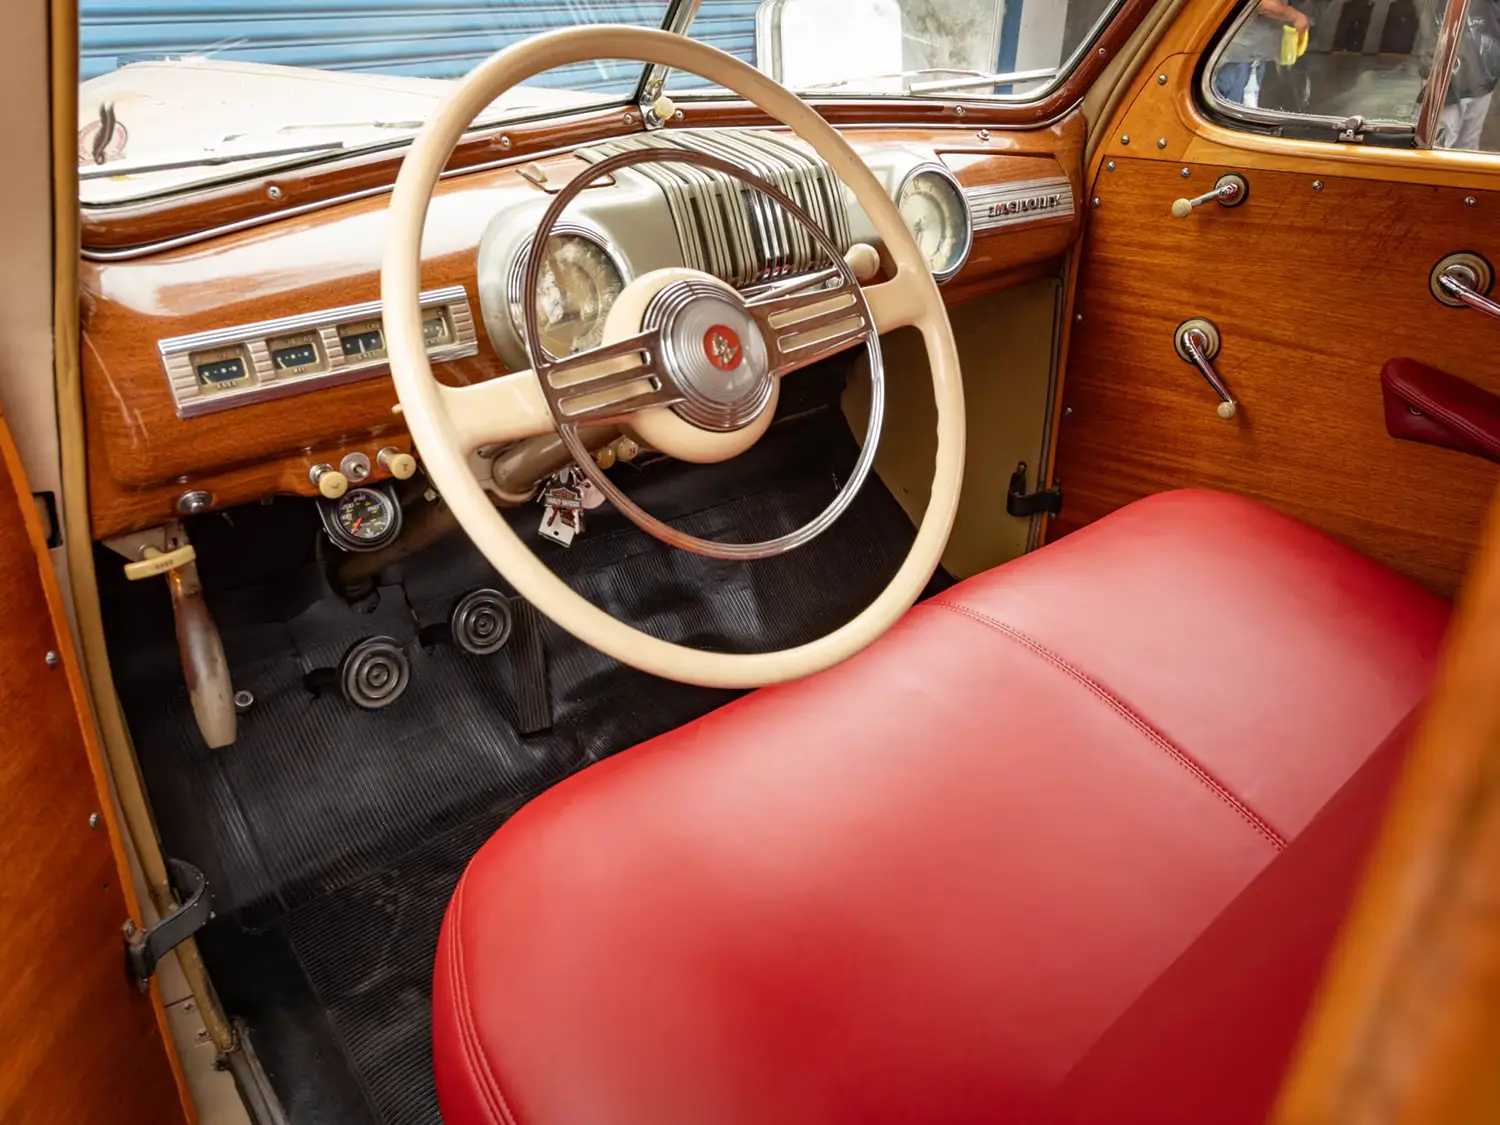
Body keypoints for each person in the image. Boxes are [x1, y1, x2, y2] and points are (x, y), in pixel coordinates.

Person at [1430, 0, 1500, 150]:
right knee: (1440, 145)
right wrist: (1429, 76)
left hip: (1482, 81)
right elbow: (1433, 35)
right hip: (1450, 83)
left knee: (1467, 146)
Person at [1213, 0, 1310, 107]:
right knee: (1223, 105)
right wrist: (1294, 15)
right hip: (1232, 57)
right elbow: (1262, 4)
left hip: (1253, 57)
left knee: (1239, 105)